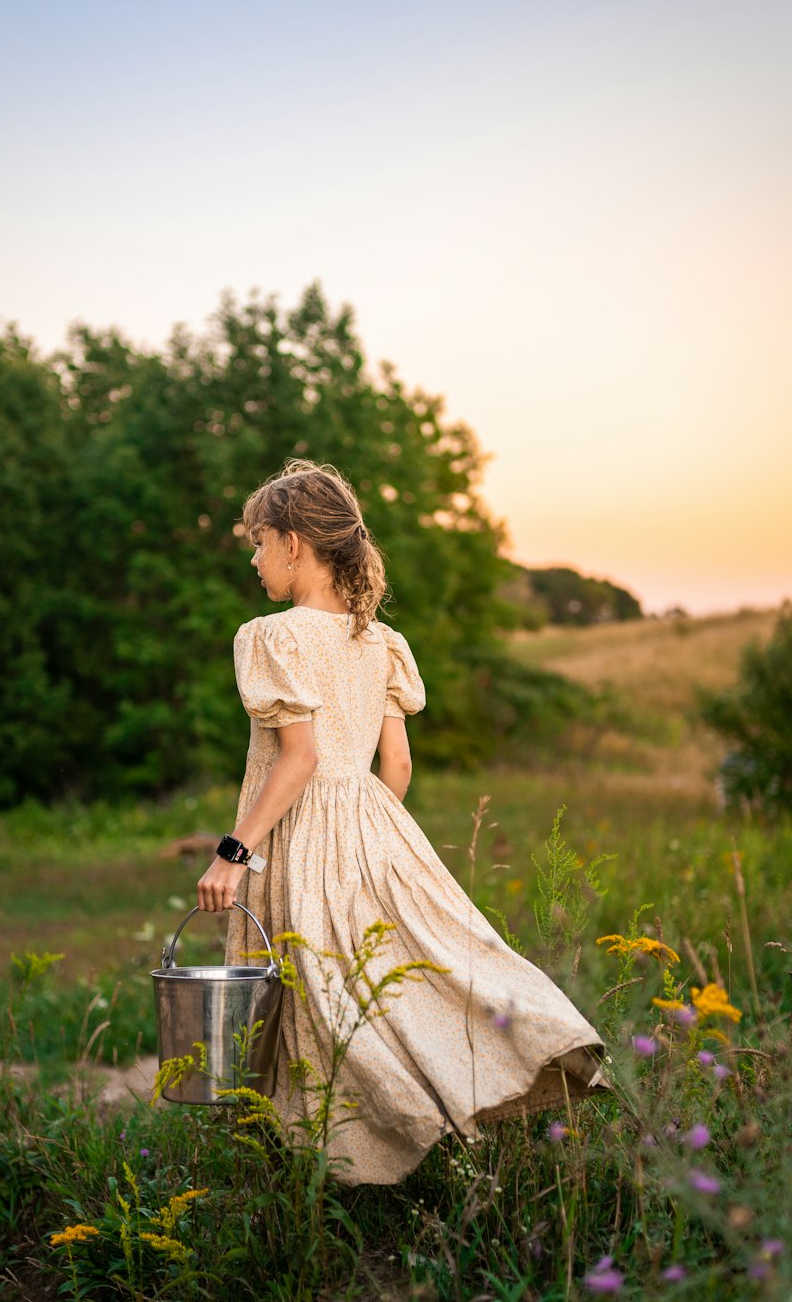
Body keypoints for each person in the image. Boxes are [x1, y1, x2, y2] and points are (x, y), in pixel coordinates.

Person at [197, 459, 607, 1185]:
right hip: (376, 827)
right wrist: (371, 834)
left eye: (259, 543)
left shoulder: (272, 635)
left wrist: (234, 852)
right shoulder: (378, 641)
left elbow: (297, 761)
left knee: (319, 989)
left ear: (294, 544)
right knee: (405, 973)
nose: (255, 561)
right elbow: (400, 768)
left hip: (304, 831)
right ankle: (468, 1091)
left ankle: (345, 1153)